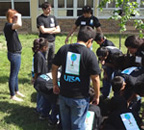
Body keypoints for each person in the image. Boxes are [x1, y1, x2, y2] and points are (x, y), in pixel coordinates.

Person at [52, 26, 101, 130]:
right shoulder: (90, 54)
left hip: (64, 94)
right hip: (80, 97)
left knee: (65, 124)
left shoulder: (64, 49)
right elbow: (95, 78)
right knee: (78, 125)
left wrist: (55, 84)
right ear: (90, 41)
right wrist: (97, 96)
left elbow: (54, 67)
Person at [3, 9, 24, 102]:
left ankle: (16, 91)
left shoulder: (11, 27)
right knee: (13, 75)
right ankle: (12, 95)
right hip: (14, 54)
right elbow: (19, 24)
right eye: (14, 17)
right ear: (11, 17)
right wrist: (19, 16)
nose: (16, 18)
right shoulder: (8, 26)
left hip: (16, 53)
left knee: (16, 74)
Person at [37, 2, 61, 72]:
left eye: (50, 8)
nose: (50, 10)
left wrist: (50, 31)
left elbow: (59, 30)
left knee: (52, 58)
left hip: (52, 41)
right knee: (44, 58)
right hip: (44, 42)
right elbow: (43, 30)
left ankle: (50, 72)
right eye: (48, 9)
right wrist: (53, 29)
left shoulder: (53, 17)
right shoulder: (40, 18)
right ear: (43, 9)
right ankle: (43, 72)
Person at [31, 37, 48, 114]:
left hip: (42, 78)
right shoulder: (38, 56)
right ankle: (39, 109)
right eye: (47, 47)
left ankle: (39, 107)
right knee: (41, 95)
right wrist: (34, 79)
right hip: (40, 79)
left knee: (40, 95)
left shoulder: (39, 54)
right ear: (44, 47)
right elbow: (37, 71)